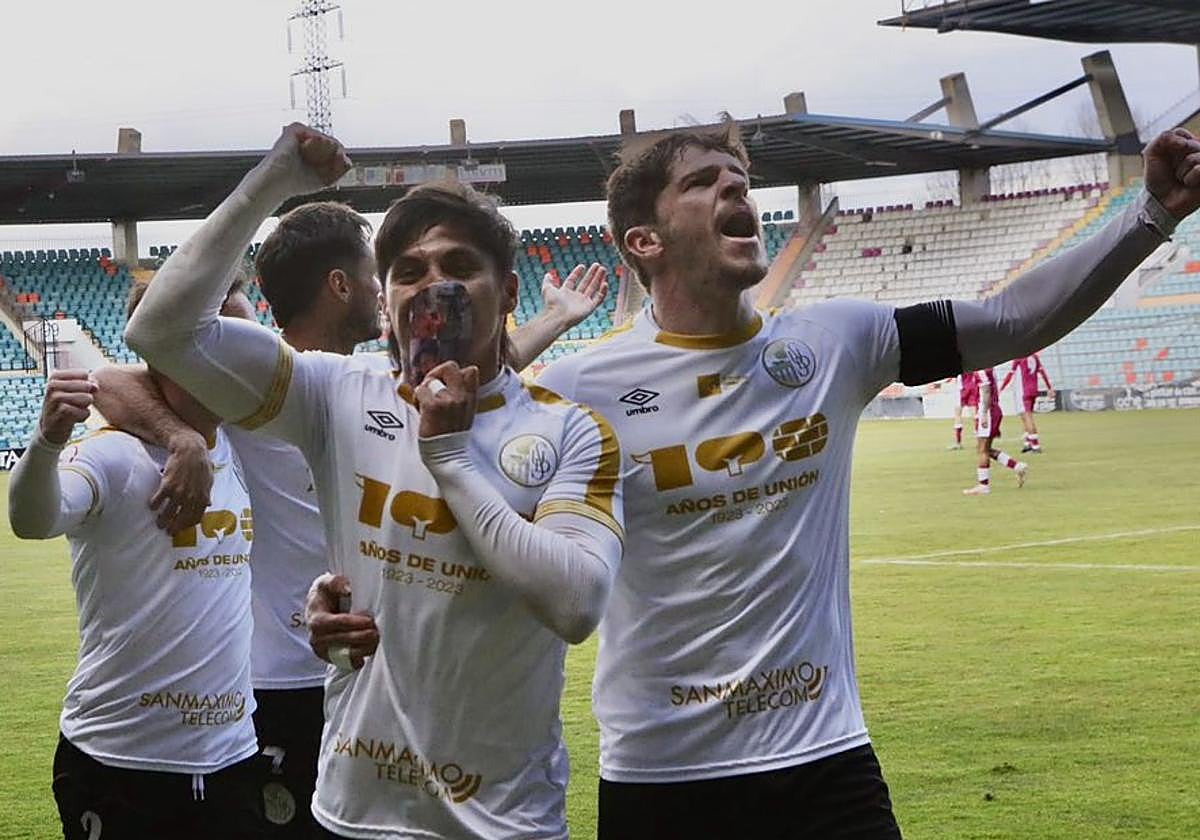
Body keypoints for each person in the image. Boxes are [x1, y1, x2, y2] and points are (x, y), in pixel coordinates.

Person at [534, 123, 1200, 838]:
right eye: (701, 182)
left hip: (825, 760)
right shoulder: (580, 389)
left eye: (738, 177)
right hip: (662, 775)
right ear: (645, 241)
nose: (734, 186)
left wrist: (1152, 212)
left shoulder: (835, 341)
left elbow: (1015, 318)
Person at [125, 123, 625, 840]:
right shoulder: (338, 392)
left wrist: (450, 459)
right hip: (354, 811)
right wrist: (272, 183)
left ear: (508, 289)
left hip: (501, 819)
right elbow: (162, 334)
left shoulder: (570, 432)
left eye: (460, 264)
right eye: (410, 271)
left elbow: (575, 603)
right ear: (385, 301)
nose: (435, 285)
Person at [7, 280, 264, 840]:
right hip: (120, 761)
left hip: (233, 757)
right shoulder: (113, 455)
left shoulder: (242, 444)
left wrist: (185, 436)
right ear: (181, 351)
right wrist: (48, 441)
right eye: (235, 340)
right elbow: (33, 519)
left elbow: (117, 379)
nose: (254, 357)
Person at [962, 366, 1027, 496]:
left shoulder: (981, 369)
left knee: (982, 450)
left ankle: (983, 486)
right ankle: (1017, 466)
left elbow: (986, 391)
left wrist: (984, 413)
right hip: (993, 410)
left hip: (988, 412)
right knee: (985, 449)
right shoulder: (989, 368)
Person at [1000, 353, 1053, 453]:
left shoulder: (1019, 357)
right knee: (1025, 417)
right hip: (1033, 390)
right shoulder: (1035, 357)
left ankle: (1036, 446)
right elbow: (1042, 372)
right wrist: (1049, 387)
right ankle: (1028, 443)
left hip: (1024, 391)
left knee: (1027, 417)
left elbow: (1011, 374)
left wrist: (1001, 388)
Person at [948, 370, 977, 449]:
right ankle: (981, 441)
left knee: (958, 414)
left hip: (962, 388)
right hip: (972, 386)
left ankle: (958, 443)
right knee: (975, 414)